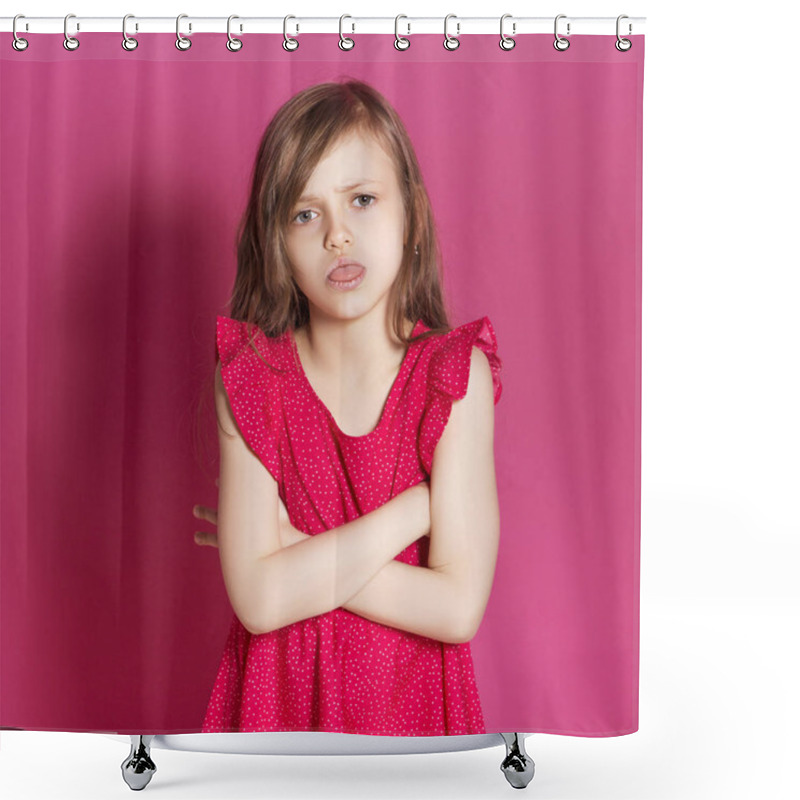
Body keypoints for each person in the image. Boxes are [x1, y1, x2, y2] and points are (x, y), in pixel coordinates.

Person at [193, 78, 503, 736]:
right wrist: (415, 513)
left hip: (411, 706)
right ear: (276, 239)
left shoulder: (455, 377)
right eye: (306, 214)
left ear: (411, 212)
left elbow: (456, 608)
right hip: (280, 707)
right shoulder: (250, 377)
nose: (337, 236)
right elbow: (258, 601)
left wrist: (296, 553)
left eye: (362, 200)